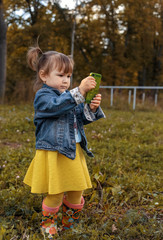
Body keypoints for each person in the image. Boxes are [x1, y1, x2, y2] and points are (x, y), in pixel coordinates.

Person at [23, 46, 105, 239]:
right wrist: (79, 92)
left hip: (73, 150)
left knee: (77, 189)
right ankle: (48, 224)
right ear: (44, 76)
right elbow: (55, 108)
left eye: (68, 76)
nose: (65, 81)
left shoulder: (69, 97)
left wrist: (91, 108)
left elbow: (78, 118)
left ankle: (70, 224)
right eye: (60, 75)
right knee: (56, 191)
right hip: (53, 152)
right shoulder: (43, 97)